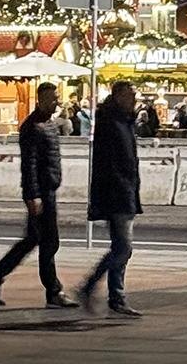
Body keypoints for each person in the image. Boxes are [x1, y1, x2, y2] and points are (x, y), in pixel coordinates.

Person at [0, 83, 79, 309]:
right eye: (51, 98)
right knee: (49, 241)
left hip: (49, 189)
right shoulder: (32, 127)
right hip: (41, 192)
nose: (55, 102)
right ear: (40, 100)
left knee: (34, 240)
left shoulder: (50, 125)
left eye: (56, 97)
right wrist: (33, 195)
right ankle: (53, 291)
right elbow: (30, 164)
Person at [78, 81, 142, 317]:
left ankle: (116, 296)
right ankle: (91, 286)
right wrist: (123, 188)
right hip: (117, 193)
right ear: (118, 97)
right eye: (130, 96)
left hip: (126, 191)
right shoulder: (111, 122)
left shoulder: (123, 121)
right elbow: (111, 164)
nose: (134, 100)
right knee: (123, 248)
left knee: (122, 247)